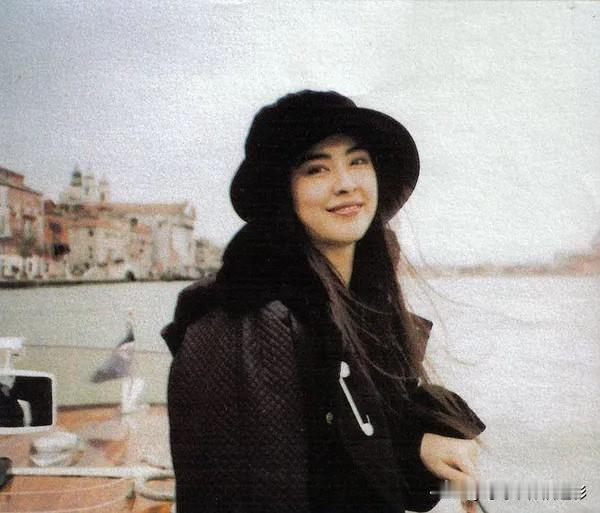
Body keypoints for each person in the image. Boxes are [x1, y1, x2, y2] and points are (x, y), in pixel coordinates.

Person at [163, 90, 485, 513]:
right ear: (282, 193)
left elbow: (332, 447)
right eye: (316, 169)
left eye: (358, 161)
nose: (346, 184)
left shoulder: (357, 304)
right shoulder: (248, 322)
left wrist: (415, 443)